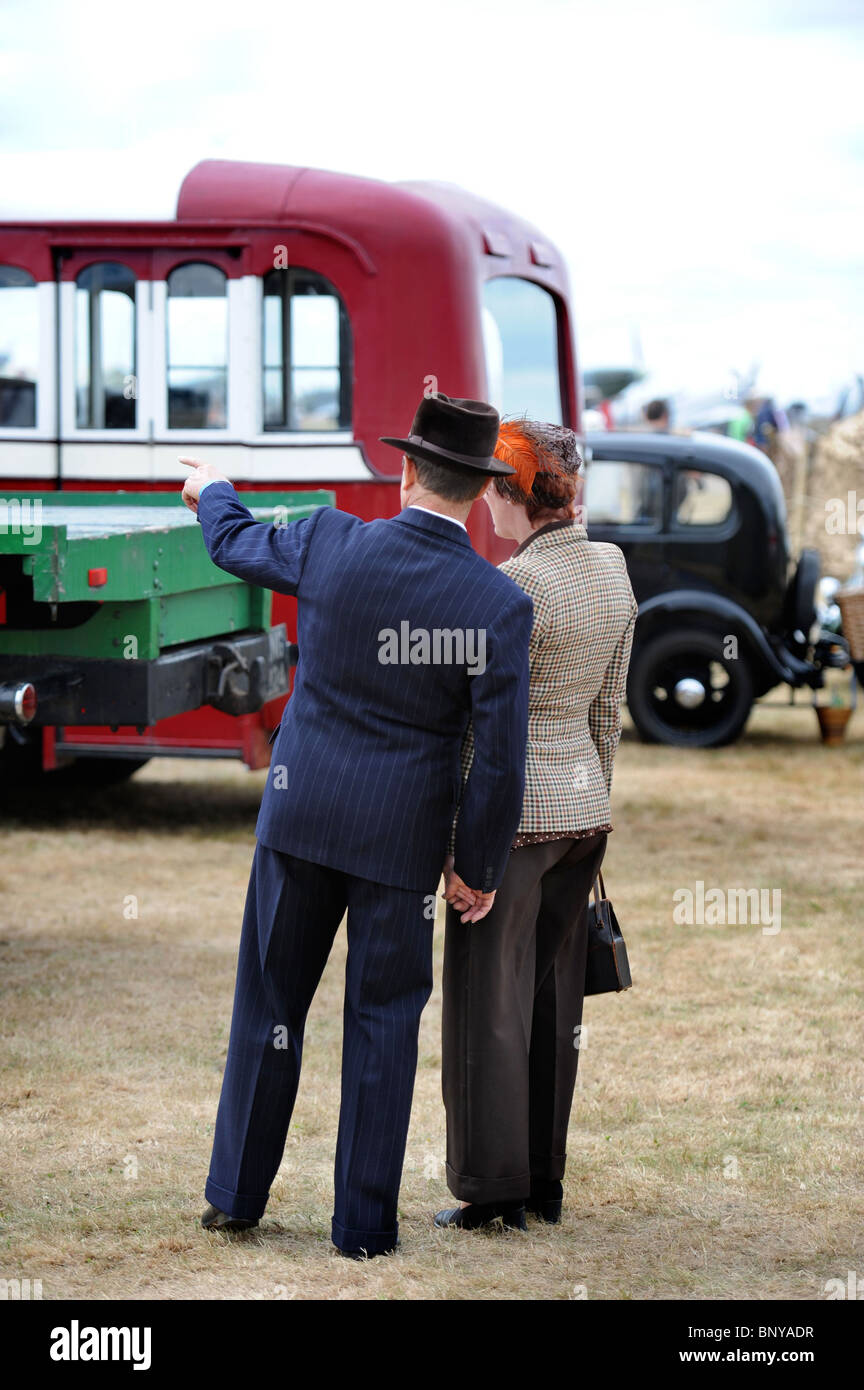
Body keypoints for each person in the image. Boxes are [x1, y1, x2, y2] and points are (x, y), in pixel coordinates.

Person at [179, 392, 534, 1259]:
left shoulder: (331, 538)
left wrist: (211, 488)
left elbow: (232, 541)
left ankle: (235, 1198)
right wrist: (478, 867)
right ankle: (363, 1230)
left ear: (408, 470)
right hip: (398, 844)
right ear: (477, 485)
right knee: (383, 1027)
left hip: (298, 818)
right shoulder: (495, 605)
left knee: (268, 1007)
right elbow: (498, 758)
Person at [437, 419, 637, 1232]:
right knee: (556, 1007)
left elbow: (487, 736)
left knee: (489, 1005)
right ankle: (544, 1184)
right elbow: (609, 706)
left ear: (509, 493)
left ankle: (495, 1193)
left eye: (490, 484)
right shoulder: (612, 567)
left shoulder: (512, 588)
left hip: (517, 825)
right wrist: (596, 802)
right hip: (583, 811)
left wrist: (465, 848)